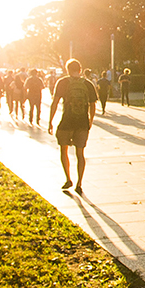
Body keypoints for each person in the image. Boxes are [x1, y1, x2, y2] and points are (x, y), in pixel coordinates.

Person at [47, 59, 98, 194]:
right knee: (80, 154)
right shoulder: (88, 84)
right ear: (80, 70)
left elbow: (55, 102)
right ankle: (79, 183)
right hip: (82, 123)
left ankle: (68, 178)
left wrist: (50, 121)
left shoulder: (62, 82)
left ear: (67, 69)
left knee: (63, 151)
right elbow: (93, 105)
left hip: (66, 122)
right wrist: (90, 121)